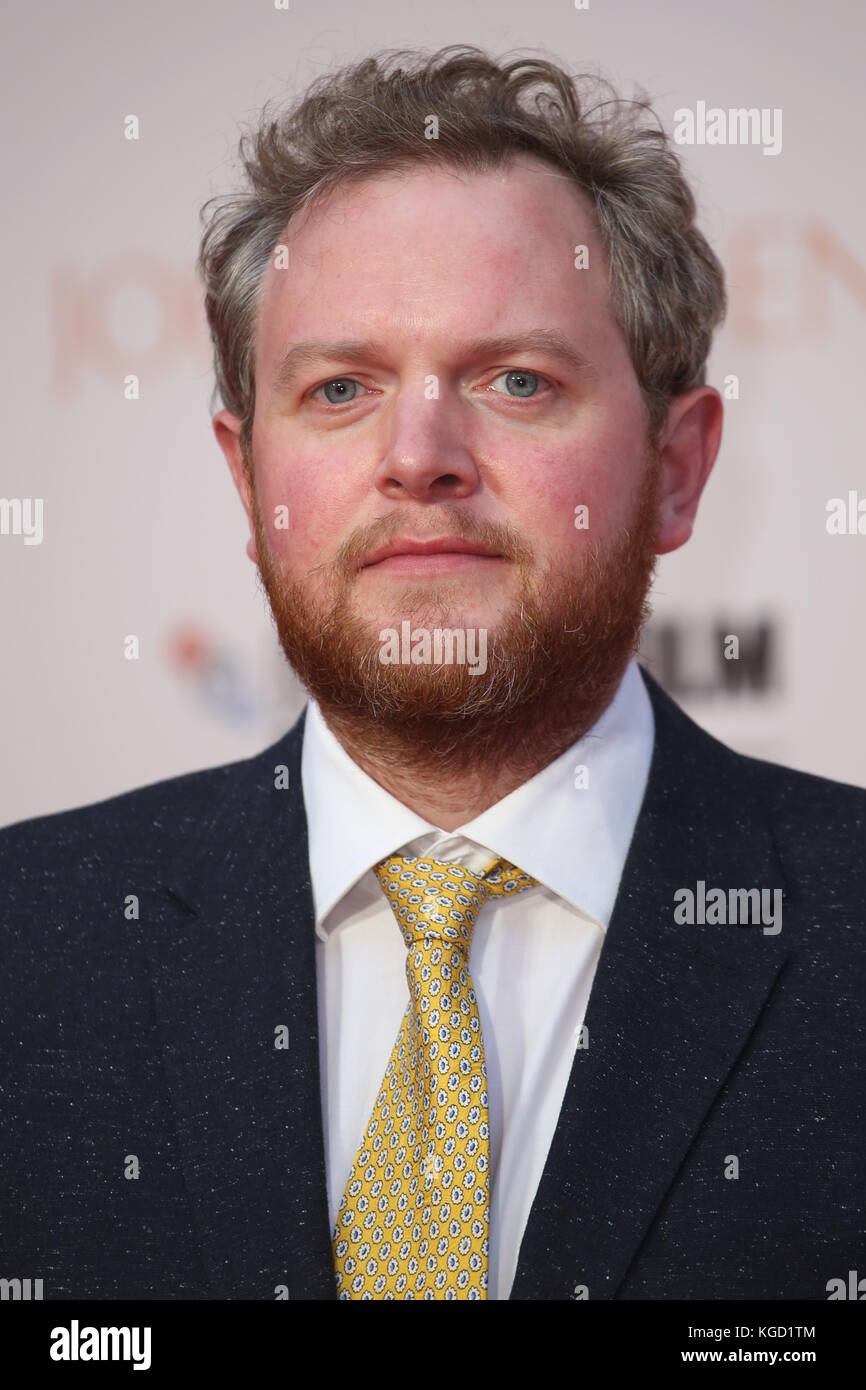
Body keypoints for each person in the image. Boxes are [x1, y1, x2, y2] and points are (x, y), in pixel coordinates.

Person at [2, 45, 863, 1302]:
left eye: (517, 380)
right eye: (340, 387)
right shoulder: (25, 942)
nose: (418, 457)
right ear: (248, 481)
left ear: (674, 470)